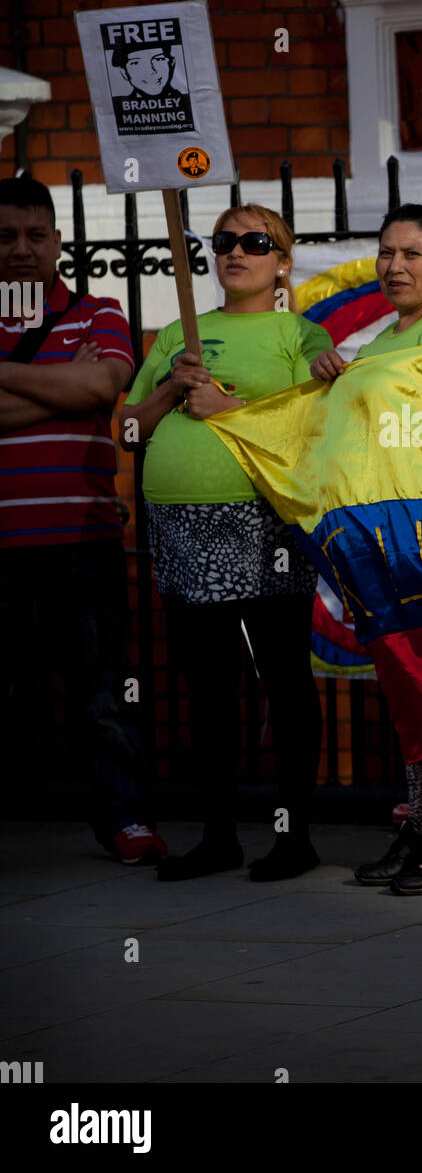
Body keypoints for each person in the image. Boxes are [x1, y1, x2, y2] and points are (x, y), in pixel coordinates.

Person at [121, 204, 332, 882]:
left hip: (261, 523)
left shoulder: (300, 334)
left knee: (282, 679)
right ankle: (219, 837)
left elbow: (314, 433)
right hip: (181, 527)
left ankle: (294, 836)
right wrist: (170, 390)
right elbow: (128, 431)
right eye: (223, 241)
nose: (236, 251)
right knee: (209, 686)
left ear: (283, 259)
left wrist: (229, 410)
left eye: (255, 241)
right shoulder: (182, 335)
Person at [311, 204, 422, 895]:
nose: (395, 266)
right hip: (387, 547)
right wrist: (337, 380)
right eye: (387, 253)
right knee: (411, 690)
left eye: (413, 254)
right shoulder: (382, 341)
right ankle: (421, 827)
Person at [0, 176, 165, 865]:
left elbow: (104, 387)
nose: (20, 249)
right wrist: (66, 390)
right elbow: (82, 390)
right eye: (6, 236)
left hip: (83, 536)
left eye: (36, 235)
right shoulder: (77, 335)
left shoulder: (100, 311)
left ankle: (123, 820)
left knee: (102, 691)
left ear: (58, 242)